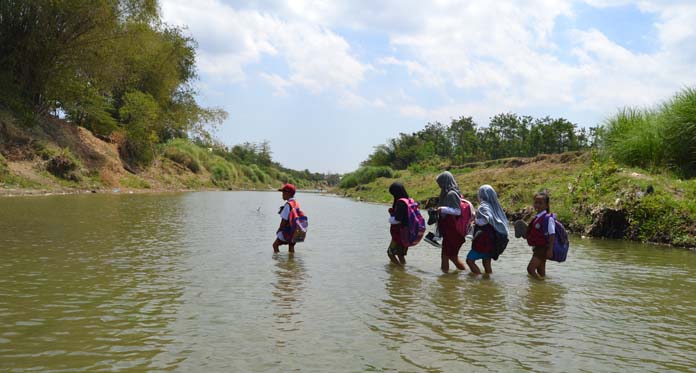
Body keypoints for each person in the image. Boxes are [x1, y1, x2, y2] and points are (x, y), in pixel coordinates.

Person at [466, 185, 509, 275]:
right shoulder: (495, 206)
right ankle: (488, 281)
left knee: (470, 260)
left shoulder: (483, 206)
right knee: (486, 263)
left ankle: (480, 281)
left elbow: (485, 220)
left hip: (483, 240)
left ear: (482, 195)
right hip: (492, 240)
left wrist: (475, 220)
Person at [433, 171, 470, 273]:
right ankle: (447, 278)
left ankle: (466, 274)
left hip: (454, 231)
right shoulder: (448, 193)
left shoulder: (451, 194)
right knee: (448, 255)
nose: (439, 185)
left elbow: (457, 211)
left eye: (440, 183)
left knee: (450, 256)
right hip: (449, 230)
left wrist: (442, 209)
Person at [523, 191, 556, 279]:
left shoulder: (547, 218)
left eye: (540, 203)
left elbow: (552, 234)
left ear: (546, 205)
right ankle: (543, 289)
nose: (537, 205)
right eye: (536, 202)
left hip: (542, 248)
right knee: (541, 271)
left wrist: (550, 249)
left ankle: (539, 285)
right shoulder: (537, 218)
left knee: (530, 269)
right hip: (537, 248)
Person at [387, 182, 410, 265]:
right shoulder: (408, 200)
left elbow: (398, 219)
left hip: (399, 234)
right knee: (400, 254)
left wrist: (390, 218)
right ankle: (403, 271)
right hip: (407, 233)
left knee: (390, 252)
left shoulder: (400, 203)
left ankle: (399, 271)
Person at [273, 183, 300, 254]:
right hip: (296, 231)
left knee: (275, 245)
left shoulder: (288, 205)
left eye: (283, 192)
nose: (282, 194)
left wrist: (279, 230)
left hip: (288, 231)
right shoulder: (296, 203)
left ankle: (278, 263)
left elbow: (284, 220)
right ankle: (291, 263)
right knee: (291, 248)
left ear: (288, 193)